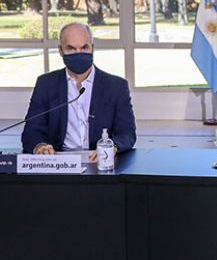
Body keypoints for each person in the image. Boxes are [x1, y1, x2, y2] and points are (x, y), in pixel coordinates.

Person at [21, 22, 137, 158]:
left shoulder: (116, 86)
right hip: (59, 163)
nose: (78, 53)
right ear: (60, 50)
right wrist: (40, 146)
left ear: (92, 48)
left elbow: (127, 133)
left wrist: (112, 148)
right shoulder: (46, 84)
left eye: (84, 47)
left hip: (101, 162)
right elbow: (31, 131)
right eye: (71, 48)